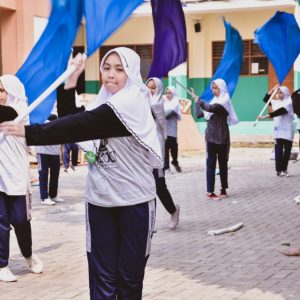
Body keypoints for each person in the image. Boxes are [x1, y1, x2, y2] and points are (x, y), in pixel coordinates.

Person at [0, 48, 162, 299]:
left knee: (129, 280)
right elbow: (73, 117)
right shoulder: (104, 102)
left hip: (135, 202)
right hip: (100, 201)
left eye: (120, 69)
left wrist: (30, 132)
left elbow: (82, 125)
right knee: (102, 279)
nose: (111, 75)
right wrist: (72, 78)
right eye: (107, 68)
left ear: (131, 73)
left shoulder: (133, 101)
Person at [0, 75, 43, 282]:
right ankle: (2, 265)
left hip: (17, 178)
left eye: (2, 90)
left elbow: (7, 114)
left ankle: (28, 255)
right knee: (1, 222)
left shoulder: (18, 114)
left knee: (21, 221)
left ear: (13, 92)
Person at [192, 79, 239, 200]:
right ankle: (210, 192)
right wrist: (196, 102)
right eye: (212, 88)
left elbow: (211, 108)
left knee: (223, 164)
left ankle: (223, 189)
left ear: (222, 88)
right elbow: (198, 114)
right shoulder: (213, 101)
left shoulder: (224, 101)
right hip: (210, 138)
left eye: (216, 88)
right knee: (210, 164)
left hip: (222, 137)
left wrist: (200, 101)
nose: (214, 90)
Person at [146, 77, 180, 230]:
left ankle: (173, 210)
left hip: (156, 147)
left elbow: (161, 125)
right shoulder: (141, 102)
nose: (150, 91)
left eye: (153, 88)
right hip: (142, 148)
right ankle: (149, 221)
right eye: (148, 87)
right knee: (145, 187)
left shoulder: (158, 103)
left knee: (159, 185)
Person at [258, 85, 294, 177]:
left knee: (287, 152)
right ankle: (279, 170)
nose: (278, 94)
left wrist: (266, 116)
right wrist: (273, 89)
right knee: (278, 151)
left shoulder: (289, 102)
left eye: (281, 92)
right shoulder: (276, 102)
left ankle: (284, 169)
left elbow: (281, 111)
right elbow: (266, 100)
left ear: (285, 93)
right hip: (278, 130)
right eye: (278, 93)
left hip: (288, 130)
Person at [35, 113, 64, 205]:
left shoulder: (58, 125)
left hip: (55, 153)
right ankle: (44, 197)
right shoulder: (42, 124)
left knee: (55, 175)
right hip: (43, 152)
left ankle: (53, 195)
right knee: (43, 175)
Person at [164, 86, 182, 173]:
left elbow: (168, 114)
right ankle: (166, 167)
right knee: (165, 149)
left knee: (174, 149)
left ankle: (175, 161)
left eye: (170, 93)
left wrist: (159, 113)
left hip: (172, 131)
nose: (168, 95)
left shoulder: (175, 103)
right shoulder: (164, 103)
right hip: (163, 131)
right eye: (167, 93)